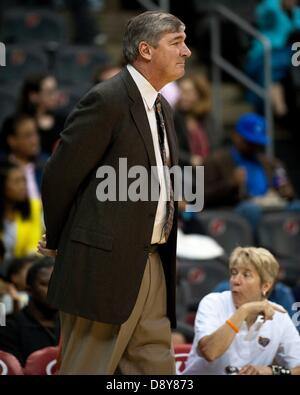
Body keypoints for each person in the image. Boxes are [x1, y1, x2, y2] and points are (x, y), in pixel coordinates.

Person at [38, 11, 191, 374]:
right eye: (177, 42)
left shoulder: (162, 106)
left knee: (156, 370)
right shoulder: (107, 100)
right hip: (102, 264)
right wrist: (61, 240)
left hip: (153, 260)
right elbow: (60, 174)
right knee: (86, 368)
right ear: (146, 50)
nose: (186, 52)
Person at [183, 247, 300, 375]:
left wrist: (273, 371)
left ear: (265, 286)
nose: (235, 280)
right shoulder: (212, 302)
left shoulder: (279, 316)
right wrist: (244, 311)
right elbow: (210, 352)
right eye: (234, 273)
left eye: (246, 275)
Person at [203, 113, 300, 229]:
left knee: (297, 206)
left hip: (269, 206)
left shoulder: (270, 163)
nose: (253, 146)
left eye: (257, 143)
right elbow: (201, 198)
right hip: (234, 210)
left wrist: (288, 192)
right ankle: (255, 246)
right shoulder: (215, 160)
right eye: (248, 141)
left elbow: (285, 190)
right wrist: (231, 183)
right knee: (251, 209)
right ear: (235, 136)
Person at [0, 258, 60, 367]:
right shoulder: (10, 328)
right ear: (29, 290)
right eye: (45, 284)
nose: (54, 290)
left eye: (58, 283)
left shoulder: (70, 327)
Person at [0, 161, 43, 259]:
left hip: (23, 266)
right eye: (17, 181)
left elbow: (34, 247)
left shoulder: (34, 207)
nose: (23, 186)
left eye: (24, 181)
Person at [0, 114, 48, 198]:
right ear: (12, 140)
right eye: (28, 135)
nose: (35, 140)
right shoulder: (3, 170)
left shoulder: (47, 164)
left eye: (36, 133)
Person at [17, 74, 65, 156]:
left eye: (55, 90)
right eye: (50, 92)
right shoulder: (20, 123)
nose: (55, 96)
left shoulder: (63, 120)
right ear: (33, 96)